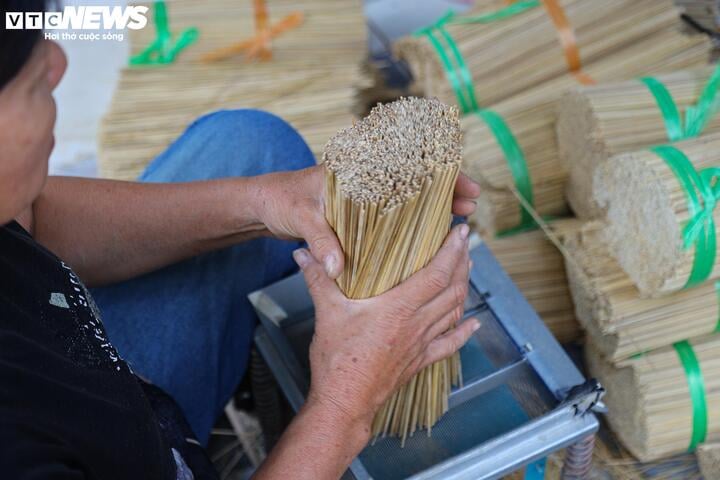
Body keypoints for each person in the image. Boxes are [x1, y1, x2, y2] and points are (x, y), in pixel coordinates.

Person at [0, 1, 481, 478]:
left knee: (253, 149)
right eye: (14, 66)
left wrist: (260, 203)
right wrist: (343, 403)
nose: (56, 61)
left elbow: (32, 219)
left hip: (99, 381)